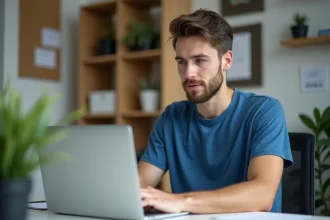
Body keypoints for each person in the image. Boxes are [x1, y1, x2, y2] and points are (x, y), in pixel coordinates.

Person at [138, 8, 293, 214]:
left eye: (200, 60)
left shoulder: (264, 111)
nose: (189, 73)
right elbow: (135, 189)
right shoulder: (171, 117)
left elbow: (262, 195)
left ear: (226, 61)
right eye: (182, 62)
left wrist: (181, 201)